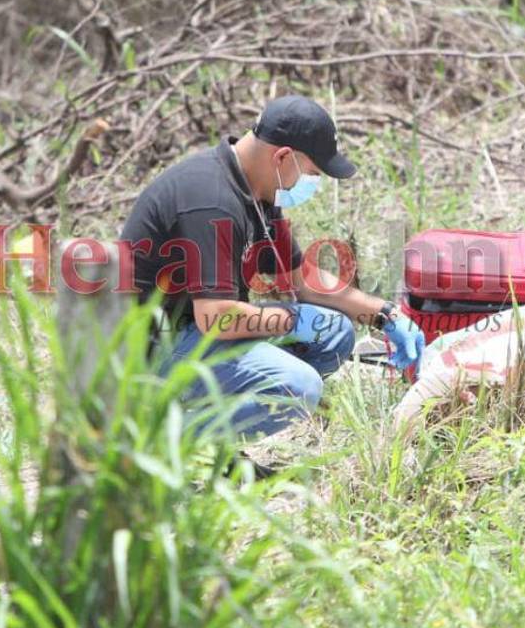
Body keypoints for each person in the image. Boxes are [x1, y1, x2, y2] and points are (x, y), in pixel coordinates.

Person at [120, 94, 424, 458]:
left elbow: (302, 279)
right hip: (152, 347)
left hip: (195, 329)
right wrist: (291, 319)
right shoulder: (211, 200)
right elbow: (217, 317)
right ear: (282, 157)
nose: (311, 184)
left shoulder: (257, 191)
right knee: (299, 389)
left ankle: (221, 430)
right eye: (312, 173)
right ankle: (156, 442)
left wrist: (384, 315)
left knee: (336, 334)